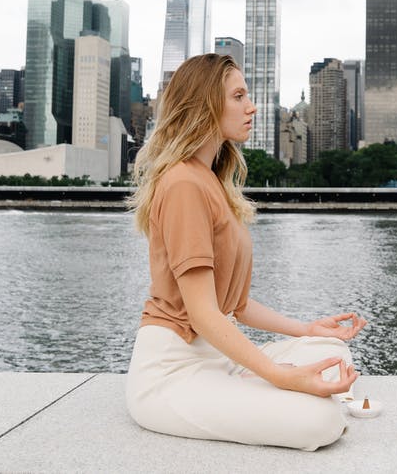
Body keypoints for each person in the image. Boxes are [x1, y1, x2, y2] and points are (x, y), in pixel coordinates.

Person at [125, 53, 367, 451]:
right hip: (171, 370)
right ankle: (257, 386)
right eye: (238, 96)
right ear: (205, 105)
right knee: (320, 421)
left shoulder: (211, 181)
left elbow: (232, 304)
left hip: (217, 355)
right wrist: (279, 376)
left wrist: (306, 329)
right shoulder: (183, 183)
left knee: (331, 349)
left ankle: (248, 384)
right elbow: (202, 314)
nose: (251, 107)